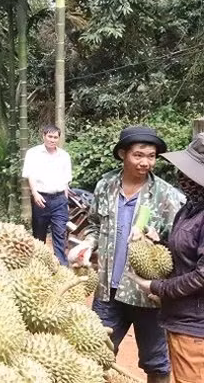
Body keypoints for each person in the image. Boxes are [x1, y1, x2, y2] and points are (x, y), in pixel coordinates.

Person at [70, 126, 186, 383]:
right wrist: (88, 243)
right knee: (93, 353)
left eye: (151, 156)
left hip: (147, 295)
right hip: (108, 290)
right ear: (123, 154)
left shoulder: (168, 197)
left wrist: (162, 239)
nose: (146, 162)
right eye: (139, 155)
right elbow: (94, 224)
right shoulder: (105, 186)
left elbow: (182, 244)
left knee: (156, 364)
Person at [130, 132, 204, 383]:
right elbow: (185, 256)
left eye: (190, 173)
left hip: (196, 326)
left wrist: (156, 286)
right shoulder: (190, 207)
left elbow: (202, 275)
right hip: (179, 318)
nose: (182, 177)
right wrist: (158, 241)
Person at [22, 124, 73, 266]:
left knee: (60, 234)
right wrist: (35, 193)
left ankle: (62, 267)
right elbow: (29, 175)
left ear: (59, 138)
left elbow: (65, 181)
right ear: (43, 136)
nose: (52, 139)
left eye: (55, 137)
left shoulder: (64, 156)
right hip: (41, 199)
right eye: (50, 136)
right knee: (39, 236)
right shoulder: (33, 153)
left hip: (59, 200)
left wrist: (66, 201)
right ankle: (39, 266)